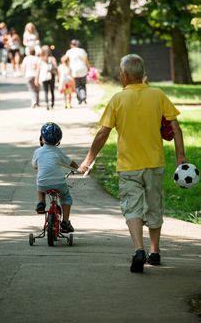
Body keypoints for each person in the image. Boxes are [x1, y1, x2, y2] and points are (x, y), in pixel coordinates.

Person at [79, 54, 187, 273]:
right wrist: (180, 157)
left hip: (129, 166)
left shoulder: (118, 99)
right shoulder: (158, 95)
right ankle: (155, 252)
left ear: (125, 75)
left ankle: (139, 250)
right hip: (154, 164)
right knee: (154, 206)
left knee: (132, 208)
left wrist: (87, 161)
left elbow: (102, 134)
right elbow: (175, 128)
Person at [32, 122, 78, 233]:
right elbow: (70, 163)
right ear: (58, 141)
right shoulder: (58, 152)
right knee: (66, 197)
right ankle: (65, 222)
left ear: (42, 138)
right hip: (59, 183)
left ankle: (41, 203)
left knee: (40, 186)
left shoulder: (38, 152)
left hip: (43, 183)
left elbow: (34, 166)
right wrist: (79, 168)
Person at [65, 39, 91, 104]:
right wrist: (89, 67)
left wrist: (67, 68)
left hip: (74, 70)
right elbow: (86, 60)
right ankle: (84, 97)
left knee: (77, 85)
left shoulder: (69, 52)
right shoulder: (82, 51)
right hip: (82, 69)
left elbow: (66, 60)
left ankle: (79, 99)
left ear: (71, 45)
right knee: (83, 84)